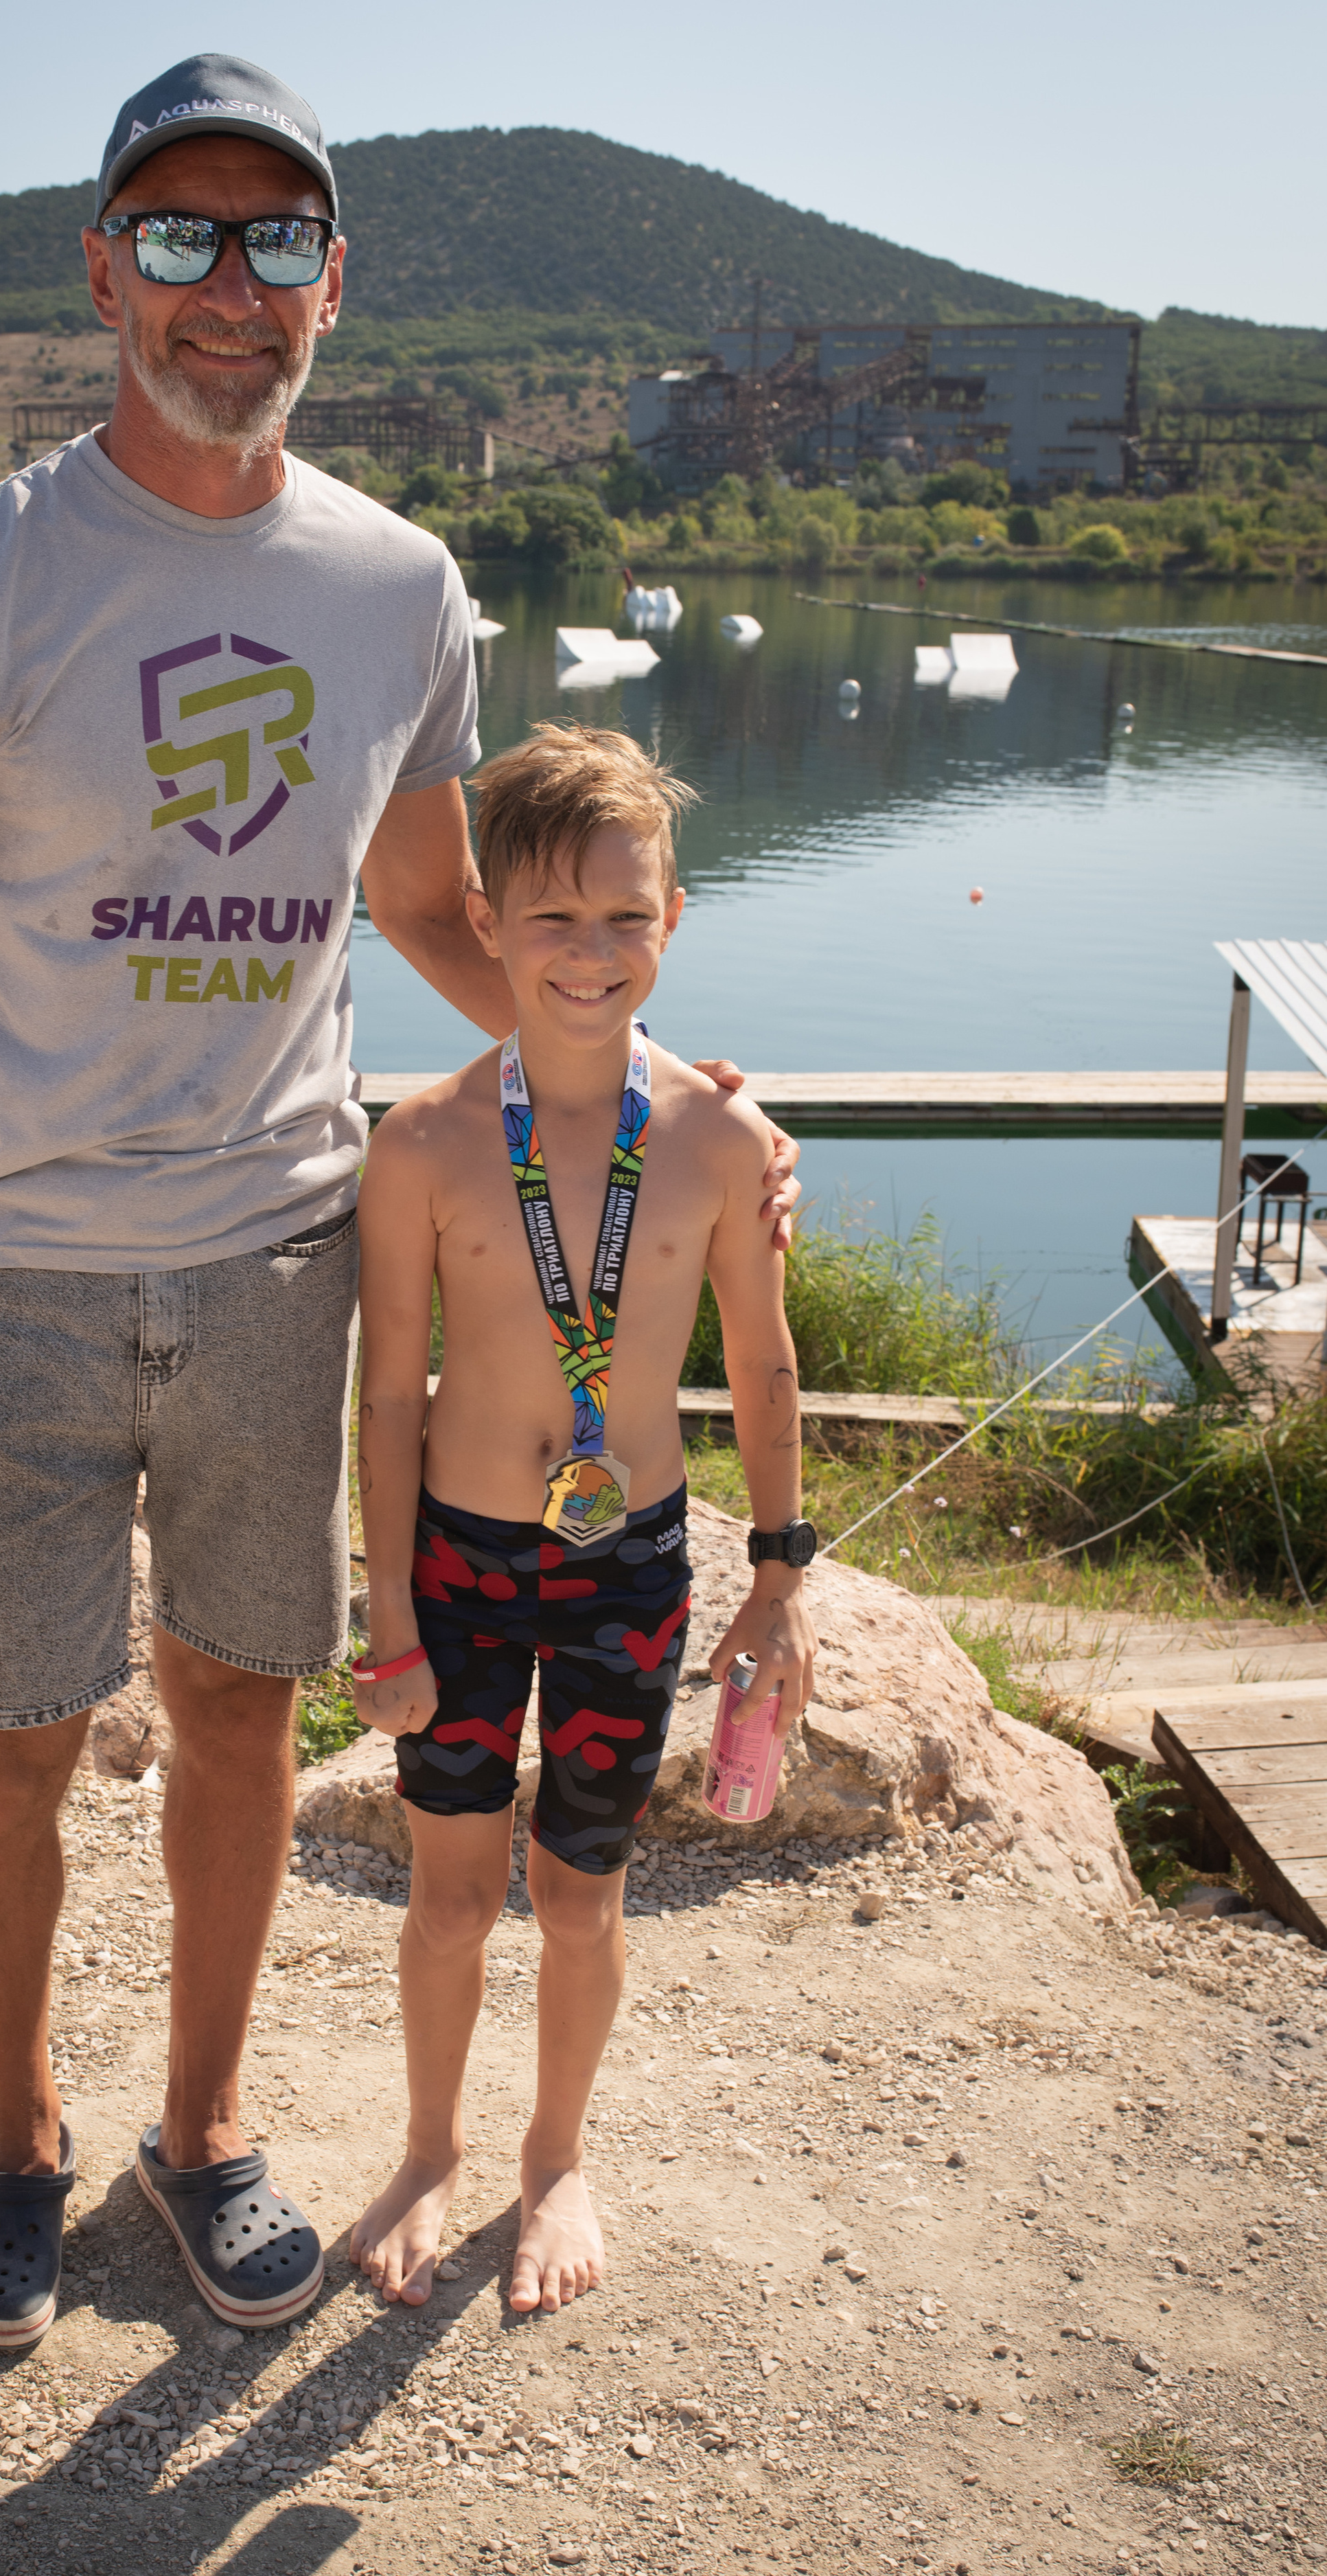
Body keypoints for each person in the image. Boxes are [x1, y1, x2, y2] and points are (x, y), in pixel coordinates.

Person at [0, 54, 800, 2348]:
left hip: (280, 1256)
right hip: (23, 1262)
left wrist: (642, 1077)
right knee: (1, 1742)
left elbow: (447, 920)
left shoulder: (396, 584)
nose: (226, 285)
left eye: (273, 243)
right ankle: (17, 2138)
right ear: (103, 270)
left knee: (245, 1720)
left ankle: (207, 2128)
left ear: (330, 285)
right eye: (178, 236)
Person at [347, 723, 818, 2315]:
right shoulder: (414, 1144)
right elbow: (381, 1399)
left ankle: (555, 2157)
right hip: (461, 1570)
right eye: (552, 920)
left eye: (625, 919)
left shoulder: (717, 1142)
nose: (590, 954)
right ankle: (428, 2150)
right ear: (482, 924)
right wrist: (391, 1619)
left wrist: (778, 1575)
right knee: (450, 1891)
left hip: (630, 1568)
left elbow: (759, 1362)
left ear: (672, 919)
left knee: (583, 1886)